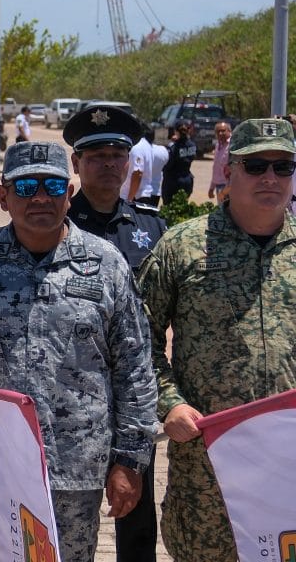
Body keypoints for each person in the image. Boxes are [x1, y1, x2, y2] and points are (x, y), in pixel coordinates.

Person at [0, 141, 156, 562]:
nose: (41, 198)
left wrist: (130, 461)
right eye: (26, 187)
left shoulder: (106, 265)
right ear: (3, 196)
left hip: (72, 469)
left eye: (52, 186)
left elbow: (135, 368)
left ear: (69, 193)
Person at [139, 118, 296, 561]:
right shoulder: (183, 247)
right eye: (256, 165)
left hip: (289, 465)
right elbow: (137, 341)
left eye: (283, 167)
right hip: (208, 465)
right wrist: (168, 403)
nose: (270, 178)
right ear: (230, 170)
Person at [63, 105, 167, 562]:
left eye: (116, 154)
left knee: (137, 511)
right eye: (95, 155)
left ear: (130, 162)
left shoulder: (152, 228)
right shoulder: (56, 224)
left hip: (133, 393)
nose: (107, 164)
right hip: (72, 391)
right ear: (76, 164)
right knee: (66, 511)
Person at [160, 121, 196, 204]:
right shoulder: (192, 145)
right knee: (182, 207)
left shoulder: (173, 147)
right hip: (187, 180)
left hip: (173, 182)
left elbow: (168, 164)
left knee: (168, 207)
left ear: (176, 131)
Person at [121, 123, 154, 204]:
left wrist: (129, 200)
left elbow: (138, 173)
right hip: (141, 194)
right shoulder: (147, 145)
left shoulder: (137, 147)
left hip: (135, 196)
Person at [207, 120, 231, 202]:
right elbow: (216, 168)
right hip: (219, 186)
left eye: (223, 131)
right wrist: (211, 188)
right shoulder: (218, 145)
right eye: (218, 131)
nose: (220, 133)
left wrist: (227, 190)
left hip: (228, 187)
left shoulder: (233, 145)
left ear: (229, 131)